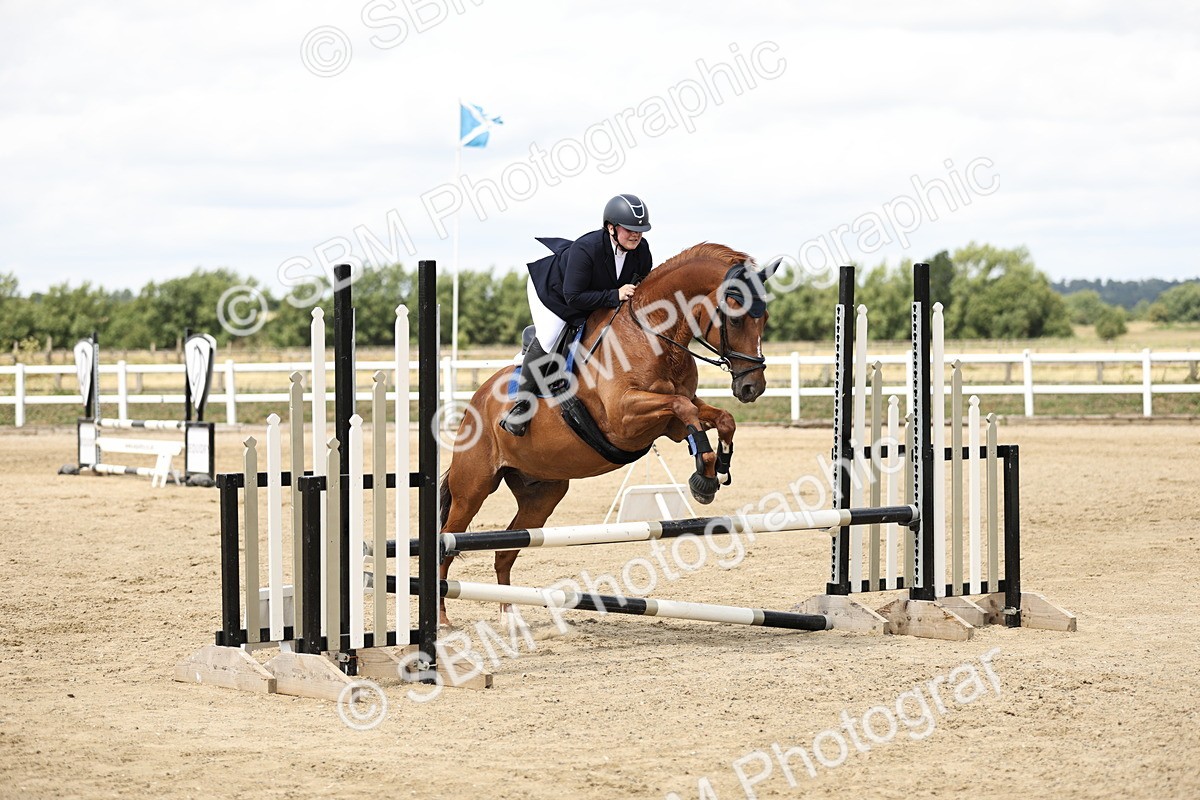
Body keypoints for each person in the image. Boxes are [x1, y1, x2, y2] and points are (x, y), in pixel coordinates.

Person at [499, 193, 654, 437]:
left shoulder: (641, 251)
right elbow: (574, 297)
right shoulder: (587, 248)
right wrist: (614, 295)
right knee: (551, 335)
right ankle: (520, 405)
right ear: (611, 228)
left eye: (640, 230)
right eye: (630, 229)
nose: (636, 235)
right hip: (554, 292)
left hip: (594, 294)